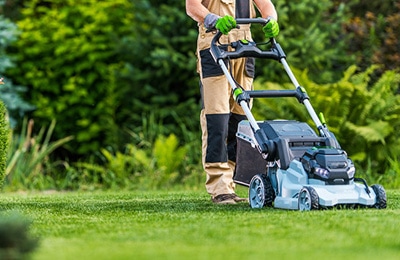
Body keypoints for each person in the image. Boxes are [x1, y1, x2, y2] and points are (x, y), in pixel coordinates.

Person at [186, 0, 279, 204]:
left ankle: (232, 183)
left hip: (244, 46)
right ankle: (219, 186)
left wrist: (271, 19)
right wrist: (213, 20)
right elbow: (192, 7)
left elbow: (266, 5)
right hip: (214, 43)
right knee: (217, 117)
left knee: (241, 119)